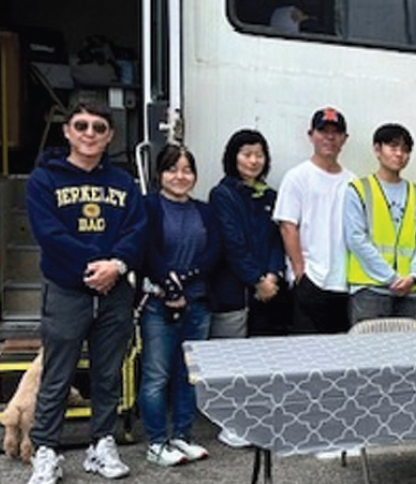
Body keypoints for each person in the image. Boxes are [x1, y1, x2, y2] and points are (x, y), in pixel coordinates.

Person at [25, 103, 147, 484]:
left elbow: (137, 230)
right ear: (67, 131)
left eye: (98, 127)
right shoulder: (44, 180)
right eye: (81, 126)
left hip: (114, 291)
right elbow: (49, 234)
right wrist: (99, 265)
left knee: (108, 373)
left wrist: (118, 266)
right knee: (57, 374)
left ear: (110, 136)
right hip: (66, 288)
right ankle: (45, 450)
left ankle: (102, 444)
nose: (89, 133)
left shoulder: (125, 184)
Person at [137, 145, 220, 467]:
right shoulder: (149, 206)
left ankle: (183, 436)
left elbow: (214, 251)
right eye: (172, 169)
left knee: (189, 375)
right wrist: (169, 284)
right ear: (160, 174)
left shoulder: (205, 210)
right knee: (157, 375)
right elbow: (145, 251)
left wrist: (185, 280)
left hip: (197, 303)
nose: (180, 176)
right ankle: (156, 442)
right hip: (158, 304)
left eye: (187, 170)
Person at [273, 107, 357, 334]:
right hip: (310, 281)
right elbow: (288, 226)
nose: (330, 137)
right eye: (323, 131)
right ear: (311, 135)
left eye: (336, 132)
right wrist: (301, 271)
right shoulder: (297, 177)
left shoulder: (353, 182)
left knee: (338, 356)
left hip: (343, 282)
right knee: (306, 355)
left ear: (344, 139)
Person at [342, 123, 416, 325]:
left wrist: (414, 276)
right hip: (370, 289)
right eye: (393, 147)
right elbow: (356, 238)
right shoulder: (358, 189)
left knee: (406, 353)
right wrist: (391, 278)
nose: (400, 154)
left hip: (410, 291)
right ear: (377, 149)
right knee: (368, 353)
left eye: (405, 149)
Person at [209, 129, 288, 341]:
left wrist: (272, 276)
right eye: (246, 154)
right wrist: (257, 280)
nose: (253, 161)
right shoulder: (222, 195)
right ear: (233, 157)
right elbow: (232, 244)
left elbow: (277, 240)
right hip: (234, 294)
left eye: (259, 155)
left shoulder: (270, 196)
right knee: (231, 360)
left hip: (270, 293)